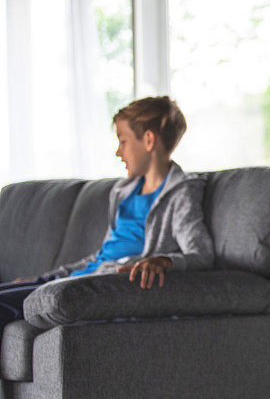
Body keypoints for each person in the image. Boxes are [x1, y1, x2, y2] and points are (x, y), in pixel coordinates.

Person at [0, 96, 213, 328]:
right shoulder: (123, 192)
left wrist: (164, 261)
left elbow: (201, 253)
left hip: (102, 284)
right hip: (82, 275)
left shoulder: (180, 193)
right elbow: (100, 256)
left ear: (149, 140)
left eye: (123, 141)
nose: (118, 152)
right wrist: (46, 277)